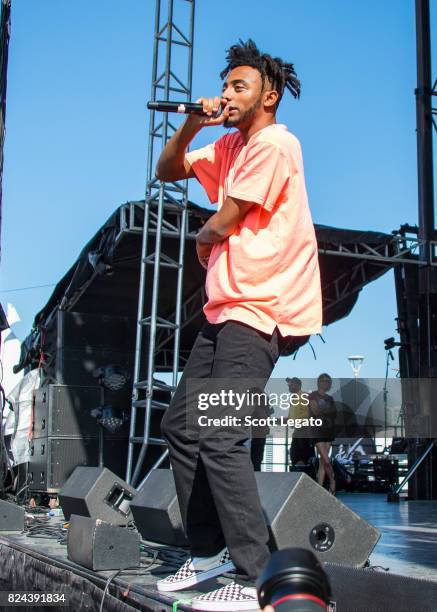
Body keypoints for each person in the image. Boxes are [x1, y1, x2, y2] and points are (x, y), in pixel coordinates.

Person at [156, 39, 322, 611]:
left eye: (239, 87)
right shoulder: (227, 144)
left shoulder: (276, 142)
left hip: (260, 310)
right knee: (180, 425)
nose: (227, 95)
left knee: (222, 434)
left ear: (269, 96)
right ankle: (210, 553)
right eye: (225, 86)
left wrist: (206, 236)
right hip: (224, 310)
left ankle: (256, 578)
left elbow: (227, 218)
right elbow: (167, 170)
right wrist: (192, 127)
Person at [308, 373, 337, 494]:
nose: (325, 383)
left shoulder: (330, 398)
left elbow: (334, 414)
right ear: (318, 382)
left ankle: (319, 489)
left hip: (328, 430)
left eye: (328, 381)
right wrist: (326, 412)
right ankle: (333, 481)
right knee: (326, 460)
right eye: (323, 380)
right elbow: (315, 411)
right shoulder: (312, 395)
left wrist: (324, 412)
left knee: (322, 462)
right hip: (317, 431)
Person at [287, 377, 315, 468]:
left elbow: (312, 413)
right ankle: (302, 470)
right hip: (297, 430)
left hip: (304, 429)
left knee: (305, 454)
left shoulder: (305, 396)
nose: (289, 386)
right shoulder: (293, 398)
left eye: (291, 384)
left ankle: (310, 475)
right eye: (289, 385)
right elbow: (291, 416)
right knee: (295, 454)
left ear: (298, 385)